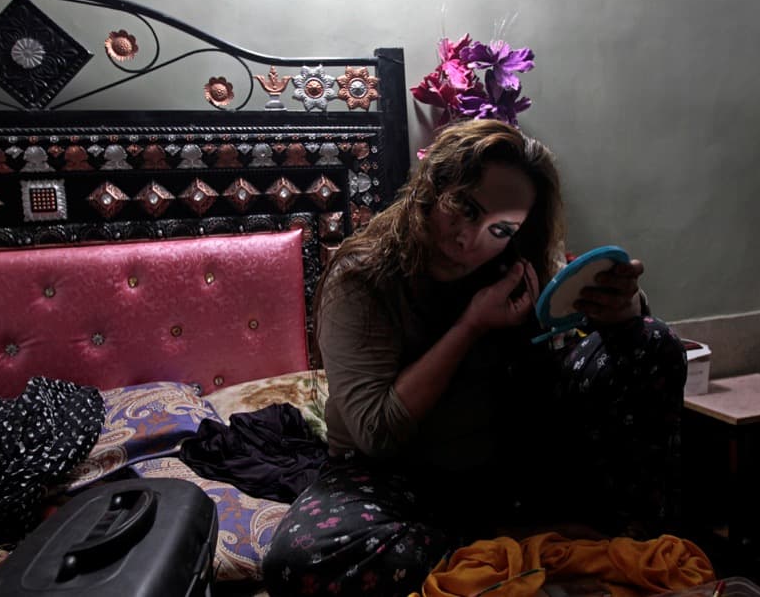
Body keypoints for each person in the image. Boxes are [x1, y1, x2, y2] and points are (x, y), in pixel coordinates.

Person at [262, 119, 687, 597]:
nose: (470, 239)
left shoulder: (516, 263)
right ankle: (517, 542)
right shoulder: (362, 280)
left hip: (506, 466)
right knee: (301, 561)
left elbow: (581, 324)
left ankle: (622, 542)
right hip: (393, 479)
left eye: (500, 229)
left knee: (651, 341)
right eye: (465, 208)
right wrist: (470, 327)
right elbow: (378, 434)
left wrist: (625, 308)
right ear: (434, 185)